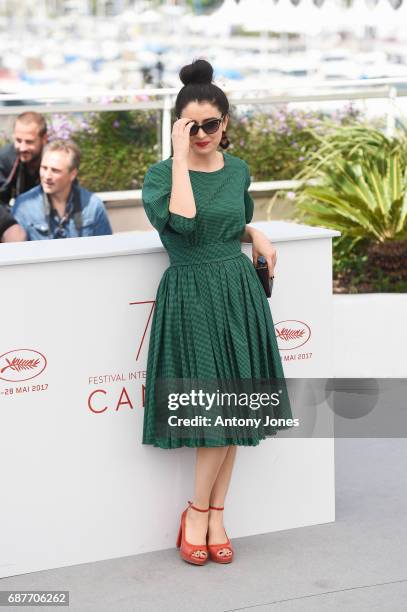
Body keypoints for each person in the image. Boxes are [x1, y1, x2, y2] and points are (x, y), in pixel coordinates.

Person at [142, 59, 294, 566]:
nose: (204, 134)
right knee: (216, 412)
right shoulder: (161, 175)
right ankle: (196, 513)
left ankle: (214, 515)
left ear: (225, 124)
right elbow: (184, 223)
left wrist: (257, 232)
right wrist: (180, 158)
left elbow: (233, 223)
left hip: (236, 290)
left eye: (211, 124)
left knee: (234, 411)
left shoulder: (240, 171)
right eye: (192, 126)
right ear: (178, 127)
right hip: (191, 294)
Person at [12, 140, 112, 240]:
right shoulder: (23, 206)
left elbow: (106, 250)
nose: (47, 176)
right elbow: (16, 252)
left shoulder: (93, 206)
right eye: (44, 168)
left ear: (73, 174)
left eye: (55, 170)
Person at [0, 111, 48, 209]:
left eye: (29, 142)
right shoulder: (6, 158)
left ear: (44, 139)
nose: (22, 148)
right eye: (18, 140)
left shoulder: (56, 160)